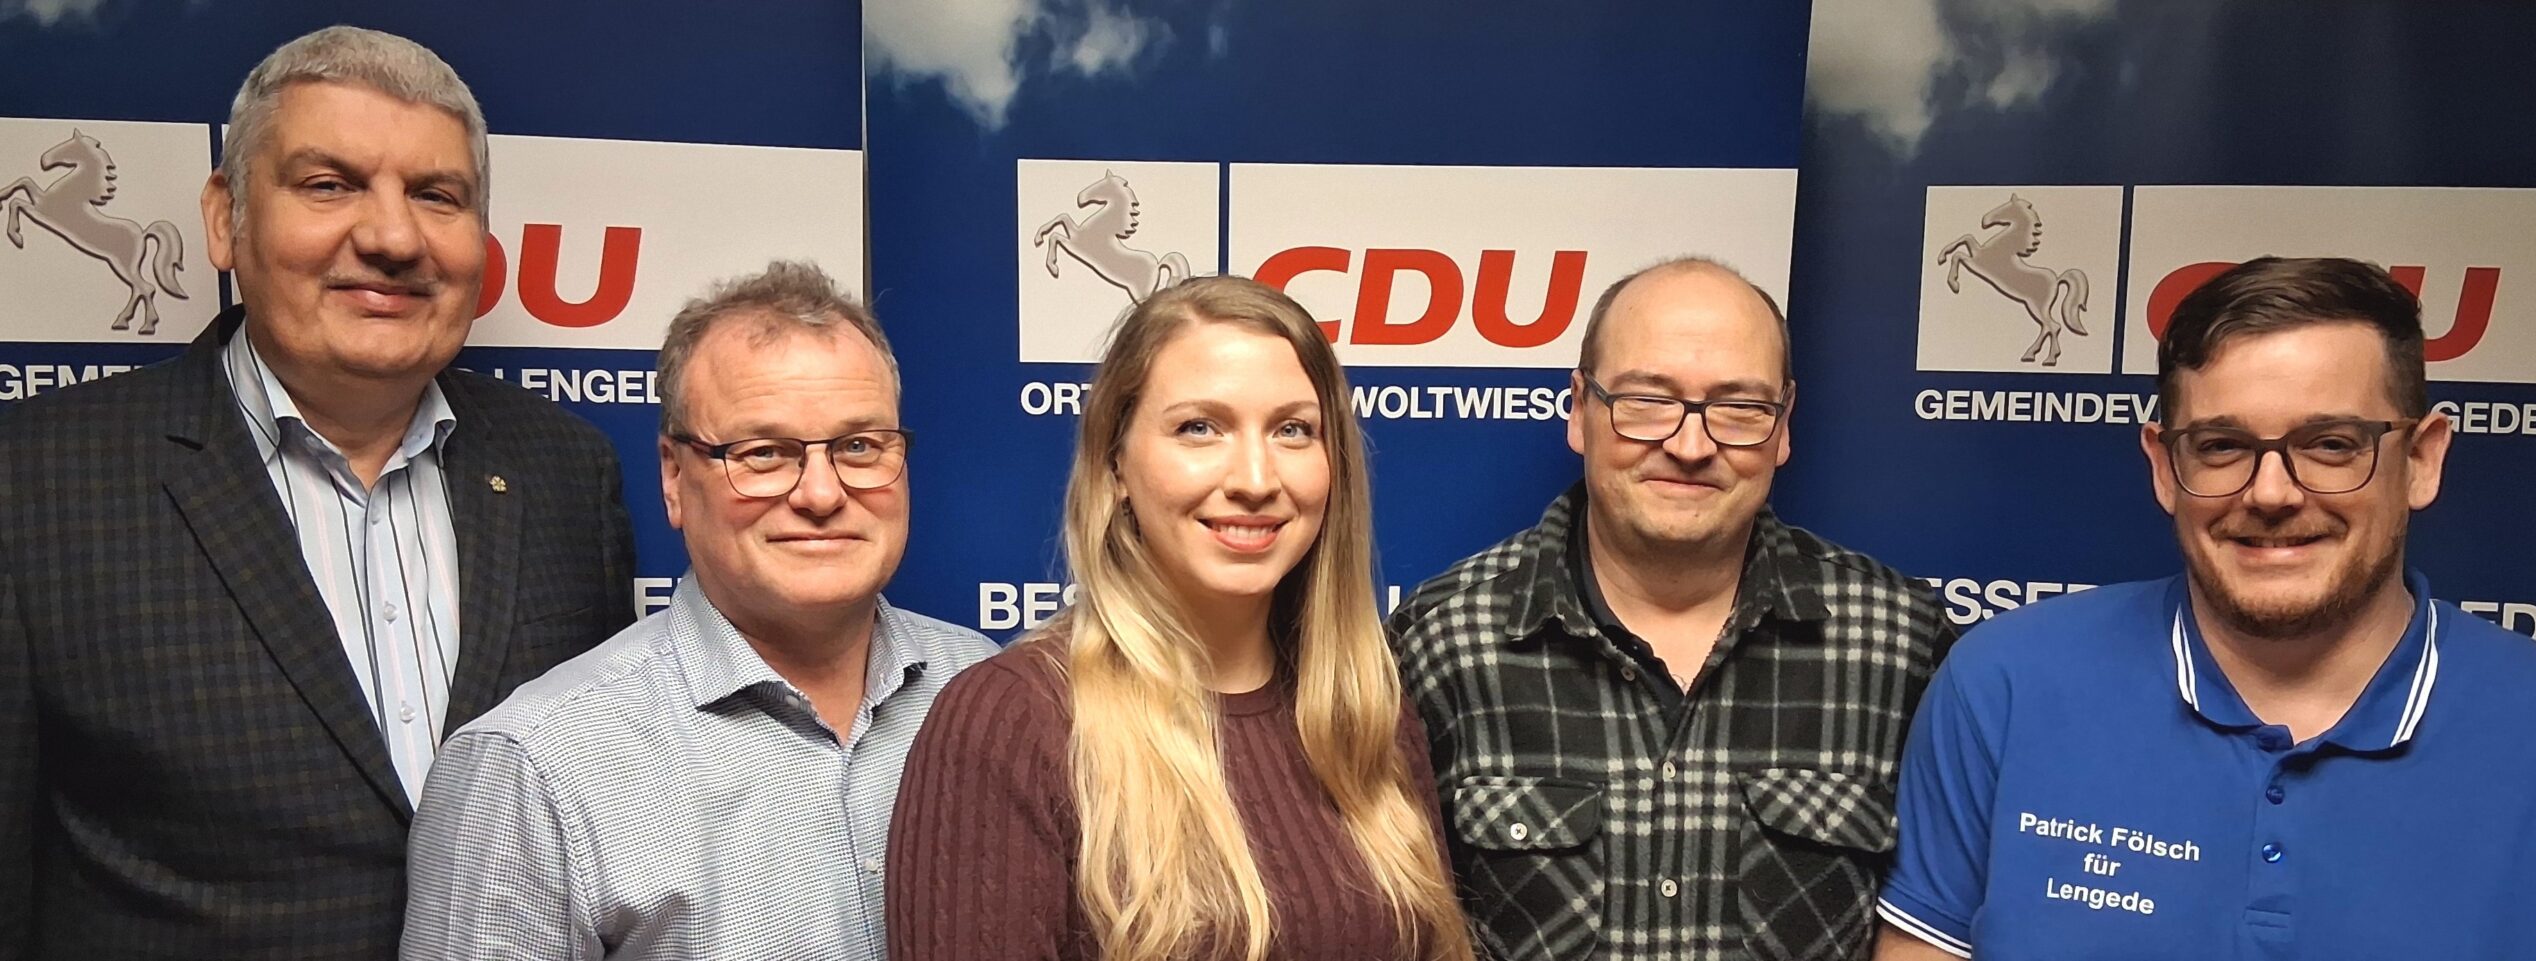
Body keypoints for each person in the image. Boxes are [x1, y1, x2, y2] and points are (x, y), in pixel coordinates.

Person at [0, 25, 636, 958]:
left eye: (437, 195)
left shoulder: (567, 471)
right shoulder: (33, 483)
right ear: (225, 219)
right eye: (329, 184)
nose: (392, 237)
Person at [1874, 256, 2536, 961]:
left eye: (2330, 444)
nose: (2271, 493)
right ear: (2166, 466)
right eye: (2223, 446)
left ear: (2421, 460)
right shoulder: (2005, 686)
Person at [400, 261, 994, 959]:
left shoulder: (991, 689)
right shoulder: (531, 770)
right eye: (763, 452)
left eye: (859, 446)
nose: (822, 494)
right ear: (674, 477)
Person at [887, 276, 1474, 961]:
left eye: (1292, 430)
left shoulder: (1367, 712)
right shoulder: (1012, 723)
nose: (1255, 479)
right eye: (1200, 428)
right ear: (1115, 464)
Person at [1390, 257, 1953, 960]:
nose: (1690, 446)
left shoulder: (1902, 646)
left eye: (1740, 408)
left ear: (1783, 426)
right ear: (1580, 409)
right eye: (1647, 401)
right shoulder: (1441, 643)